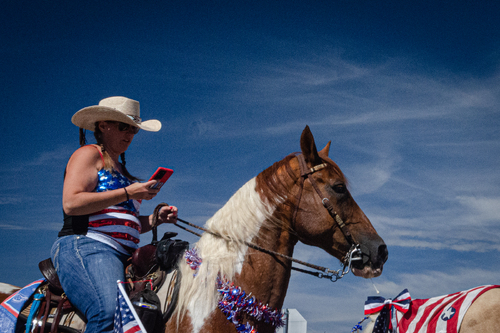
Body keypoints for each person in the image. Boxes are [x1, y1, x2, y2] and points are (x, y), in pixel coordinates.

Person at [51, 96, 178, 332]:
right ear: (103, 125)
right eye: (123, 127)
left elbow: (122, 218)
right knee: (108, 313)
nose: (129, 134)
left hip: (124, 253)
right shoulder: (89, 154)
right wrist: (129, 192)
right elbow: (71, 202)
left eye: (134, 129)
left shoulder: (122, 170)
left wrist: (155, 219)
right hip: (87, 244)